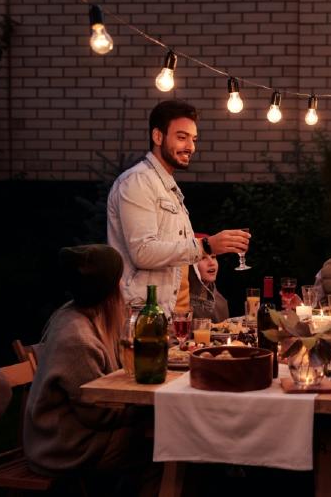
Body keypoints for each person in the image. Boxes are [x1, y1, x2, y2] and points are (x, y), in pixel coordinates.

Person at [23, 245, 158, 494]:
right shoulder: (76, 337)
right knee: (162, 448)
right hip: (63, 445)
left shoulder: (89, 314)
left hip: (81, 433)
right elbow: (97, 414)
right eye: (119, 279)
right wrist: (144, 410)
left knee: (162, 438)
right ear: (107, 288)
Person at [107, 99, 249, 316]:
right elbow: (142, 252)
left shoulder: (168, 187)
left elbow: (177, 257)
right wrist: (207, 246)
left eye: (193, 139)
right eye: (181, 137)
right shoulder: (137, 181)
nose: (190, 147)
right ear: (157, 136)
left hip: (176, 318)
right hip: (146, 317)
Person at [189, 233, 229, 323]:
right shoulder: (181, 304)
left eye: (213, 257)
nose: (211, 263)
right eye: (203, 258)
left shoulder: (220, 301)